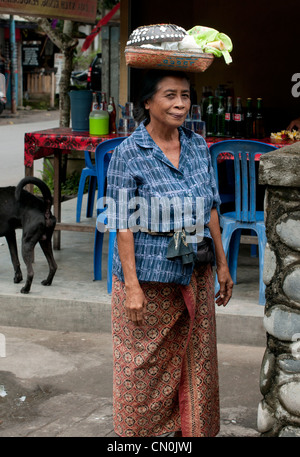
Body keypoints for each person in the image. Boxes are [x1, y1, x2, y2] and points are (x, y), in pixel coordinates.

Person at [105, 69, 233, 438]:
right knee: (142, 365)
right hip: (148, 275)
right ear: (147, 102)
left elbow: (210, 208)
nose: (180, 104)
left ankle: (189, 432)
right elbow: (121, 222)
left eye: (186, 96)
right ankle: (143, 438)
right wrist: (131, 286)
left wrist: (223, 265)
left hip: (196, 268)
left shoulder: (197, 146)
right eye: (170, 95)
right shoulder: (128, 154)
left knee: (197, 358)